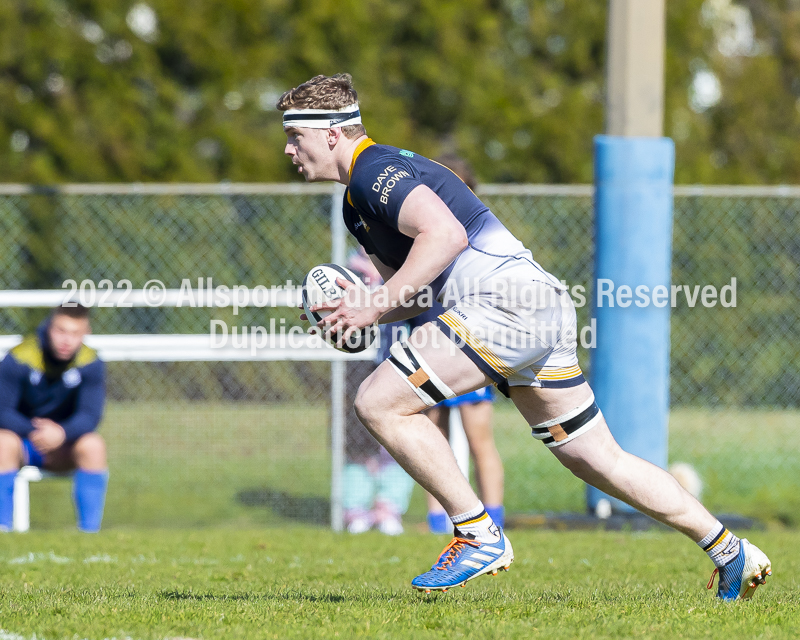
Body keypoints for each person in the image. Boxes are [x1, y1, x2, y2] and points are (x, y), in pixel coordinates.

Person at [281, 73, 771, 600]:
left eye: (295, 137)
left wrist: (371, 302)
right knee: (597, 459)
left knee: (378, 402)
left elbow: (444, 235)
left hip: (506, 306)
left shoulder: (373, 171)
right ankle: (730, 550)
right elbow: (419, 296)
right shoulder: (357, 203)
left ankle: (476, 533)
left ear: (331, 133)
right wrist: (361, 316)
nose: (289, 149)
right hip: (530, 306)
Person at [424, 156, 504, 535]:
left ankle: (495, 521)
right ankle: (439, 522)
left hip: (470, 343)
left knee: (479, 441)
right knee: (430, 439)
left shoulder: (479, 237)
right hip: (427, 343)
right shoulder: (421, 231)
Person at [0, 304, 108, 532]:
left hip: (64, 446)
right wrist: (33, 430)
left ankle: (90, 534)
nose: (66, 340)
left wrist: (62, 433)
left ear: (85, 332)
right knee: (2, 443)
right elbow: (3, 411)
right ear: (49, 327)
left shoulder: (91, 363)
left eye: (74, 333)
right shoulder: (20, 357)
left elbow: (90, 416)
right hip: (24, 443)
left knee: (93, 445)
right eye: (61, 331)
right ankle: (3, 528)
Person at [343, 248, 415, 535]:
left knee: (397, 439)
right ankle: (355, 509)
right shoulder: (345, 274)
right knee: (357, 441)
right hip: (356, 364)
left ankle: (389, 506)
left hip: (398, 360)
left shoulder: (406, 267)